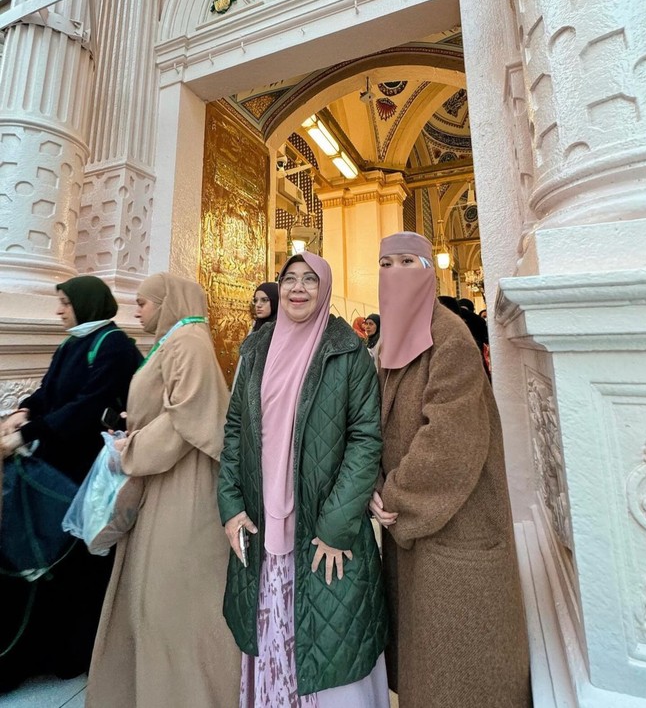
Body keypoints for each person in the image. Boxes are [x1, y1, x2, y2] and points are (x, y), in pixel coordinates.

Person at [219, 252, 389, 707]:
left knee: (329, 645)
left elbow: (365, 438)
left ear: (325, 288)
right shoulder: (255, 349)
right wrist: (230, 504)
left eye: (310, 280)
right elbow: (234, 428)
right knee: (271, 639)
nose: (298, 288)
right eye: (289, 278)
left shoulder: (346, 351)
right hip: (261, 527)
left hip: (324, 533)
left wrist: (336, 525)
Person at [369, 232, 530, 708]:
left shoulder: (450, 338)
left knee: (461, 675)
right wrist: (376, 485)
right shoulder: (392, 342)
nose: (394, 272)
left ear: (429, 272)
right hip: (423, 531)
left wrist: (394, 496)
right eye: (385, 262)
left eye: (406, 261)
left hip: (458, 527)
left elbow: (448, 441)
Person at [86, 273, 240, 708]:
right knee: (153, 601)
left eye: (143, 303)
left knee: (174, 603)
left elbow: (184, 421)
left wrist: (130, 449)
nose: (136, 311)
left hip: (183, 488)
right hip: (164, 485)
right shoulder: (173, 340)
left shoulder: (187, 342)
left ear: (166, 302)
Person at [0, 275, 142, 692]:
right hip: (57, 466)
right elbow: (48, 392)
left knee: (71, 566)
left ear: (85, 303)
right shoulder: (73, 342)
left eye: (64, 303)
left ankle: (69, 654)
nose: (59, 311)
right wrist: (23, 413)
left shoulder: (113, 346)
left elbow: (88, 407)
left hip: (83, 475)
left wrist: (28, 433)